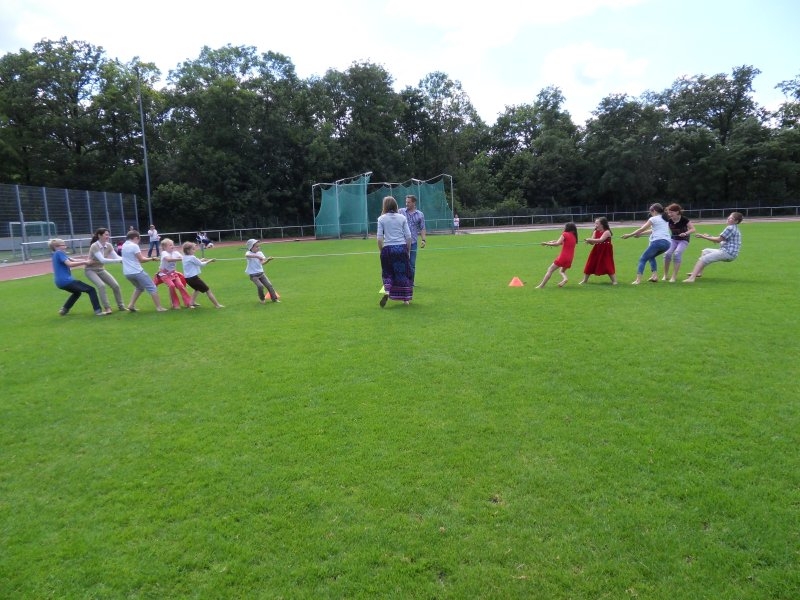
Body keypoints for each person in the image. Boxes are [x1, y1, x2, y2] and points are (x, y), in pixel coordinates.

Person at [49, 238, 104, 317]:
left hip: (59, 282)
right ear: (56, 247)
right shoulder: (59, 253)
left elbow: (73, 260)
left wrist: (87, 260)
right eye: (63, 245)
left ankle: (64, 310)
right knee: (91, 290)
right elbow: (70, 264)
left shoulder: (56, 254)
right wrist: (85, 262)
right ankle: (98, 311)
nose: (65, 246)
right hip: (66, 281)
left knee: (77, 293)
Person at [684, 212, 743, 283]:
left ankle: (691, 278)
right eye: (729, 217)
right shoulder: (734, 228)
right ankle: (698, 273)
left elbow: (718, 240)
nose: (728, 218)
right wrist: (709, 236)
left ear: (736, 221)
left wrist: (703, 237)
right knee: (705, 251)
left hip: (727, 253)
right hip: (729, 253)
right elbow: (722, 240)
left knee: (702, 259)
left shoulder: (730, 228)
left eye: (731, 218)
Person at [621, 203, 671, 285]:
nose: (650, 213)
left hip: (657, 242)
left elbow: (642, 228)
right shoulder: (664, 219)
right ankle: (654, 276)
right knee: (651, 256)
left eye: (650, 211)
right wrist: (640, 234)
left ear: (654, 211)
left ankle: (638, 280)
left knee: (643, 259)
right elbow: (652, 231)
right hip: (667, 244)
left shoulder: (653, 219)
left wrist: (629, 235)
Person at [377, 196, 413, 306]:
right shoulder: (402, 218)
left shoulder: (381, 219)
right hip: (401, 248)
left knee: (388, 273)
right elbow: (408, 236)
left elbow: (379, 238)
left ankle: (387, 291)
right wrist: (408, 250)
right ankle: (406, 300)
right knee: (403, 273)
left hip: (388, 249)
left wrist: (382, 250)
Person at [121, 230, 167, 312]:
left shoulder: (124, 245)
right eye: (139, 239)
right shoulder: (134, 246)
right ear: (136, 238)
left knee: (139, 287)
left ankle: (131, 305)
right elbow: (141, 259)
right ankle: (159, 307)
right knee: (152, 287)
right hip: (137, 272)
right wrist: (152, 258)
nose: (138, 242)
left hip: (127, 273)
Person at [85, 227, 126, 314]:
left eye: (108, 235)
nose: (108, 236)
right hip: (90, 270)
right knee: (101, 286)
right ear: (99, 235)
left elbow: (116, 257)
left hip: (101, 269)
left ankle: (121, 306)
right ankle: (107, 308)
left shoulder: (109, 245)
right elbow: (102, 260)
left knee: (115, 286)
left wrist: (126, 259)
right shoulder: (94, 246)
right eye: (106, 235)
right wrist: (119, 261)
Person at [182, 241, 224, 308]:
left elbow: (195, 262)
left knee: (197, 289)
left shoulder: (184, 257)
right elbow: (201, 264)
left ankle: (191, 303)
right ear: (188, 250)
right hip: (193, 278)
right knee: (208, 290)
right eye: (193, 249)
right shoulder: (192, 257)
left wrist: (202, 259)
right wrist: (210, 260)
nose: (195, 250)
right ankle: (217, 305)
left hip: (187, 279)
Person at [536, 222, 578, 288]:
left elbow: (557, 244)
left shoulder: (565, 234)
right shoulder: (574, 236)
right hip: (570, 258)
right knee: (562, 271)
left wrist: (546, 243)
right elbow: (563, 243)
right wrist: (552, 242)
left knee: (550, 270)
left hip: (563, 257)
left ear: (567, 228)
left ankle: (541, 286)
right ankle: (565, 279)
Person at [154, 238, 193, 309]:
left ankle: (188, 303)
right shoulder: (164, 253)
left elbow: (184, 258)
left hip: (173, 273)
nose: (172, 246)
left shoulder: (176, 253)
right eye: (170, 245)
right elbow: (169, 259)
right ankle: (175, 304)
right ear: (164, 247)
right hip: (164, 274)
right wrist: (181, 259)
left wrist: (195, 260)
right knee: (171, 286)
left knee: (180, 285)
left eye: (172, 244)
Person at [662, 203, 696, 282]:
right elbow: (663, 229)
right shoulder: (669, 220)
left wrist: (685, 233)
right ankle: (665, 275)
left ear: (677, 212)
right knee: (667, 254)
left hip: (683, 240)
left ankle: (674, 276)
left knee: (677, 253)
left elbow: (693, 229)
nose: (669, 214)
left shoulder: (684, 219)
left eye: (671, 212)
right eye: (669, 212)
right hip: (673, 239)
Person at [580, 217, 618, 285]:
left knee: (608, 264)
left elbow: (600, 240)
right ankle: (584, 280)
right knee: (590, 263)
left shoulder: (607, 232)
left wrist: (590, 239)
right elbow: (593, 242)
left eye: (597, 223)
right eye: (595, 223)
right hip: (597, 250)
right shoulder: (595, 231)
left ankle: (614, 281)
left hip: (606, 251)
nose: (596, 225)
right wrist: (589, 241)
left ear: (602, 224)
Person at [398, 194, 426, 279]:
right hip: (402, 242)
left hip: (413, 242)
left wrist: (423, 240)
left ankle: (411, 282)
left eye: (408, 202)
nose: (406, 204)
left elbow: (422, 228)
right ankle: (402, 281)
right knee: (402, 263)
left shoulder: (420, 214)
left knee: (412, 264)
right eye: (406, 202)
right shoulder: (401, 212)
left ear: (414, 203)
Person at [245, 239, 280, 304]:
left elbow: (262, 263)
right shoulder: (248, 253)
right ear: (251, 247)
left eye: (259, 246)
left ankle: (274, 299)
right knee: (260, 286)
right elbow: (247, 255)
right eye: (256, 246)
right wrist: (258, 257)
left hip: (261, 273)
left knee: (269, 285)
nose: (259, 248)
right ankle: (262, 299)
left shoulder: (260, 253)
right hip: (253, 275)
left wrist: (268, 260)